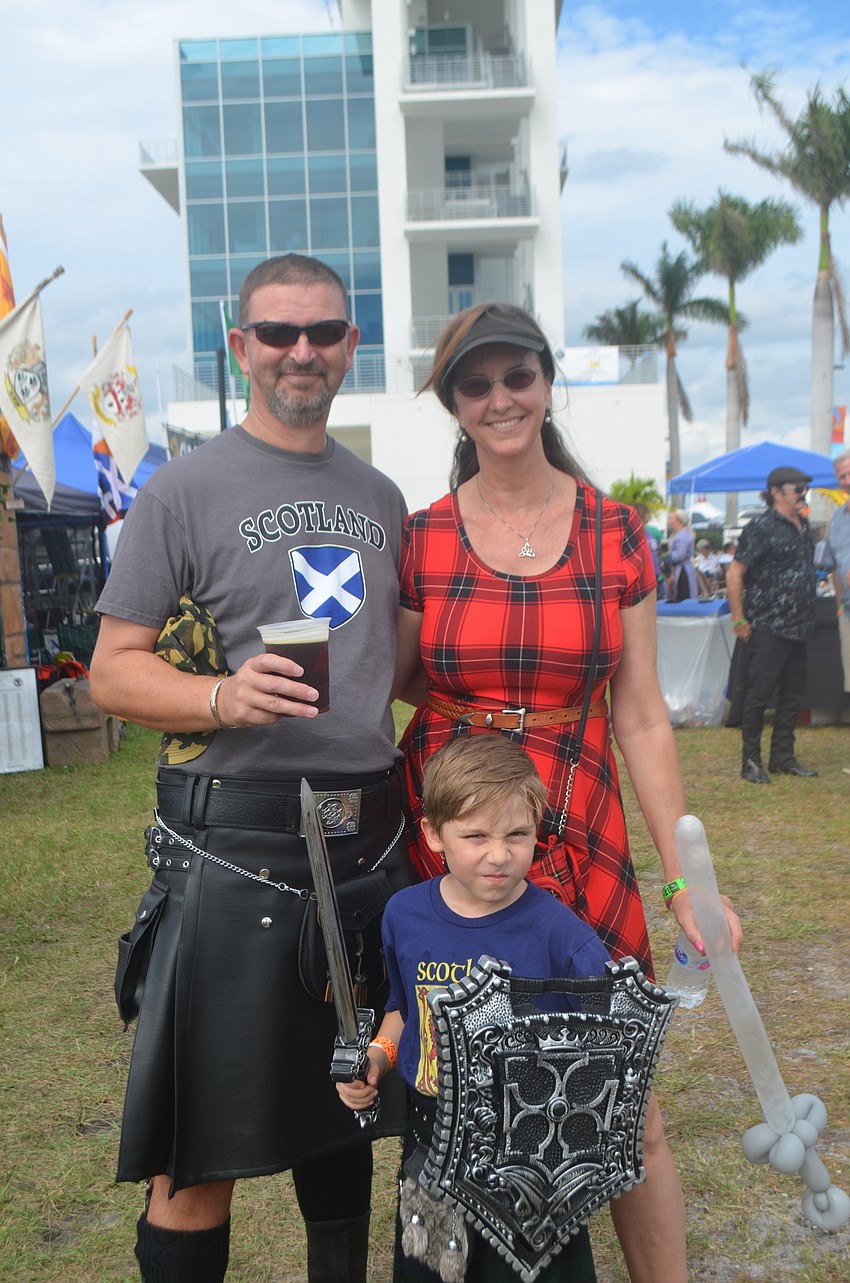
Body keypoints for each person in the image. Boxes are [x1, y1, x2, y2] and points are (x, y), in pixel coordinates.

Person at [392, 302, 742, 1283]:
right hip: (457, 838)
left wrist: (686, 881)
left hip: (577, 827)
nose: (500, 398)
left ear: (547, 383)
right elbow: (394, 673)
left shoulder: (614, 529)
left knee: (620, 1098)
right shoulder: (421, 535)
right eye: (476, 382)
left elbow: (639, 715)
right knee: (453, 1092)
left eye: (517, 376)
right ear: (453, 402)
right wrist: (488, 720)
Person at [89, 253, 414, 1283]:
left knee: (345, 1121)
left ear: (350, 345)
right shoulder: (183, 489)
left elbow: (391, 657)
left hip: (372, 830)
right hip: (234, 837)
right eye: (278, 332)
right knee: (198, 1152)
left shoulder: (380, 494)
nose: (301, 350)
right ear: (242, 348)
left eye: (323, 331)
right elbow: (111, 670)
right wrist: (221, 695)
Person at [337, 734, 609, 1282]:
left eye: (517, 834)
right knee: (436, 1270)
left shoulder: (562, 936)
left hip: (531, 1148)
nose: (499, 854)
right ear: (434, 835)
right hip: (432, 1138)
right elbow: (401, 1008)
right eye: (475, 835)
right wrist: (377, 1057)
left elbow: (607, 1036)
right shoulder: (404, 915)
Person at [725, 465, 818, 784]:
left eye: (805, 489)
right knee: (759, 696)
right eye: (798, 488)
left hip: (799, 625)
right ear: (776, 491)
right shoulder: (761, 527)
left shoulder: (803, 524)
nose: (803, 494)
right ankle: (751, 761)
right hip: (768, 625)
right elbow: (735, 573)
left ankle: (783, 757)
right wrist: (739, 618)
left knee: (793, 695)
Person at [822, 449, 850, 698]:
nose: (847, 481)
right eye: (842, 476)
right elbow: (832, 565)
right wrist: (840, 604)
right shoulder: (839, 519)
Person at [666, 509, 697, 600]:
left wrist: (665, 558)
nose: (669, 521)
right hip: (679, 568)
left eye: (671, 518)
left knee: (683, 595)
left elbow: (679, 555)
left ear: (679, 520)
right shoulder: (679, 534)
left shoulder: (683, 535)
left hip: (683, 570)